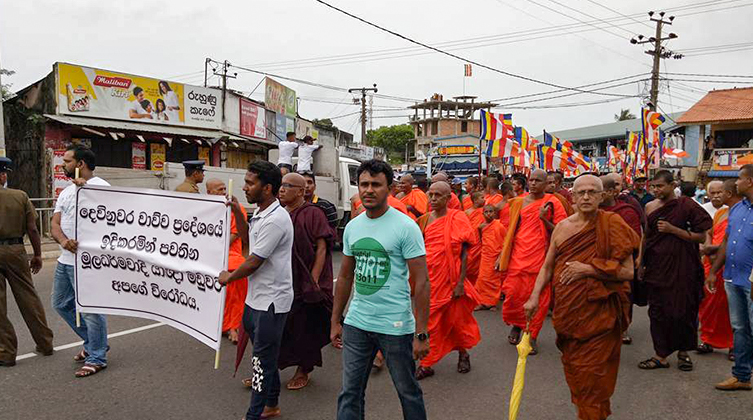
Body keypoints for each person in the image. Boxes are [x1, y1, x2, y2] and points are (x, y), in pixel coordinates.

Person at [523, 175, 639, 420]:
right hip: (569, 314)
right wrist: (534, 297)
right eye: (581, 193)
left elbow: (628, 271)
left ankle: (591, 415)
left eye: (592, 192)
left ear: (601, 196)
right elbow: (547, 267)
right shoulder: (563, 227)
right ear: (573, 197)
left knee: (593, 378)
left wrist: (589, 269)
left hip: (600, 317)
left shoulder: (613, 224)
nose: (586, 197)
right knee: (576, 373)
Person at [331, 159, 430, 420]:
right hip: (357, 324)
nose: (369, 190)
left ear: (390, 188)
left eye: (376, 184)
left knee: (407, 391)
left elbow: (421, 281)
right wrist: (336, 320)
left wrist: (421, 332)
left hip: (395, 327)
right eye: (364, 184)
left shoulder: (406, 227)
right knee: (350, 392)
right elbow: (344, 276)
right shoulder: (353, 227)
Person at [219, 161, 293, 420]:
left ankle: (256, 412)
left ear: (268, 187)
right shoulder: (261, 213)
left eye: (251, 183)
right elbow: (247, 239)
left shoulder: (276, 219)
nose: (245, 186)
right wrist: (237, 210)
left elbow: (254, 260)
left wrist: (228, 277)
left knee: (262, 361)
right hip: (255, 300)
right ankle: (271, 405)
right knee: (264, 357)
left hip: (272, 303)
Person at [638, 170, 712, 372]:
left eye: (660, 186)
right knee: (658, 311)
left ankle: (683, 353)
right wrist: (641, 262)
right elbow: (646, 237)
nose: (655, 190)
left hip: (683, 265)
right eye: (653, 186)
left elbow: (701, 237)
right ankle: (660, 355)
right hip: (657, 266)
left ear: (672, 185)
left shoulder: (686, 205)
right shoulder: (650, 207)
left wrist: (674, 230)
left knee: (683, 310)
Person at [51, 145, 111, 377]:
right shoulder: (66, 192)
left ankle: (97, 356)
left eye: (67, 161)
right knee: (61, 303)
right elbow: (54, 224)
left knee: (90, 309)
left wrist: (87, 193)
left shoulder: (102, 188)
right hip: (65, 260)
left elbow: (112, 218)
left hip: (89, 262)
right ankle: (94, 341)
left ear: (81, 164)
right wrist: (64, 241)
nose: (63, 165)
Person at [413, 181, 481, 380]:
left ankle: (463, 353)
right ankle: (427, 363)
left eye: (438, 195)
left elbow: (465, 253)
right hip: (428, 280)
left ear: (448, 198)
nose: (433, 199)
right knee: (427, 321)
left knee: (456, 322)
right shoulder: (424, 220)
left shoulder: (458, 217)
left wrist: (461, 283)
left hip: (451, 281)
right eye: (431, 195)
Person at [276, 173, 335, 391]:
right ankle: (269, 370)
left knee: (304, 328)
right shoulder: (279, 213)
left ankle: (304, 369)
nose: (282, 190)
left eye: (288, 186)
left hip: (306, 280)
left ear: (301, 192)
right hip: (284, 280)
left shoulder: (313, 213)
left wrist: (315, 279)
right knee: (280, 328)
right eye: (281, 185)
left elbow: (322, 247)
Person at [498, 169, 567, 353]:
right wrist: (502, 255)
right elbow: (511, 231)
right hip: (518, 257)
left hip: (542, 258)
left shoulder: (553, 202)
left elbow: (561, 231)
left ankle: (531, 335)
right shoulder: (519, 202)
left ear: (546, 184)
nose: (534, 183)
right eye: (532, 180)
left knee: (540, 299)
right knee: (513, 294)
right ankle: (517, 324)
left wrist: (544, 219)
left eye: (538, 180)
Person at [0, 157, 54, 367]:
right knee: (28, 297)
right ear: (3, 175)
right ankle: (45, 343)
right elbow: (32, 229)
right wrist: (37, 255)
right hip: (15, 250)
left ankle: (6, 352)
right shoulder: (20, 196)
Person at [707, 165, 753, 391]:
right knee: (740, 328)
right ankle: (742, 376)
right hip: (733, 278)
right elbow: (726, 242)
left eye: (740, 179)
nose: (736, 184)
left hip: (751, 283)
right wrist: (714, 271)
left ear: (750, 182)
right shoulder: (737, 209)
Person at [697, 179, 738, 357]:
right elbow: (710, 233)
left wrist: (712, 249)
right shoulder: (721, 213)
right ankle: (707, 340)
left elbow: (735, 240)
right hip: (712, 264)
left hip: (730, 265)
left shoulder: (743, 212)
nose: (717, 195)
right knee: (708, 304)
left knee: (732, 307)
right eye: (713, 193)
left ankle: (734, 345)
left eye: (720, 192)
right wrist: (707, 246)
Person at [206, 179, 248, 344]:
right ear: (209, 192)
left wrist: (216, 247)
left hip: (230, 255)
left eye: (224, 188)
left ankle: (233, 326)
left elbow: (236, 234)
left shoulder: (236, 209)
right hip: (209, 256)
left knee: (234, 277)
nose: (223, 191)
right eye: (219, 189)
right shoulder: (206, 210)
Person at [474, 204, 507, 311]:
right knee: (482, 279)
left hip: (495, 256)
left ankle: (492, 303)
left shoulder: (499, 226)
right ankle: (482, 302)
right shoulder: (481, 226)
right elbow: (481, 239)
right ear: (483, 213)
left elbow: (505, 243)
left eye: (491, 212)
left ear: (495, 213)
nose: (489, 214)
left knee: (494, 281)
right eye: (486, 212)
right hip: (485, 256)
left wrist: (499, 258)